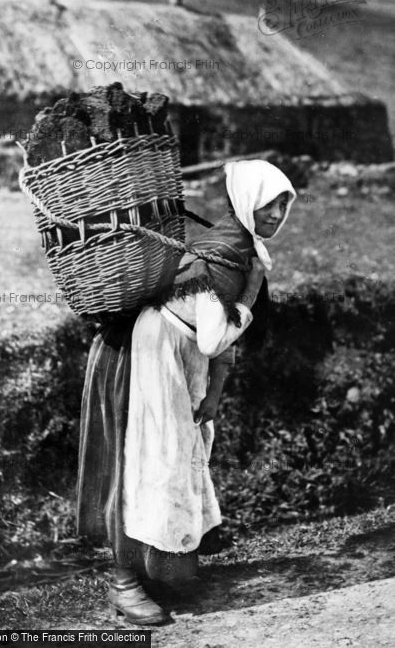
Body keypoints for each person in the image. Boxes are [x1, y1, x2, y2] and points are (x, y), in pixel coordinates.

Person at [76, 159, 296, 625]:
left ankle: (155, 572)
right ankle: (124, 582)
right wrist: (252, 293)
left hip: (180, 357)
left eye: (284, 203)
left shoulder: (243, 249)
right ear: (245, 201)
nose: (276, 214)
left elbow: (221, 344)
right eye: (268, 203)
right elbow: (217, 336)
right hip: (151, 356)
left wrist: (213, 396)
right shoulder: (222, 254)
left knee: (176, 458)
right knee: (148, 460)